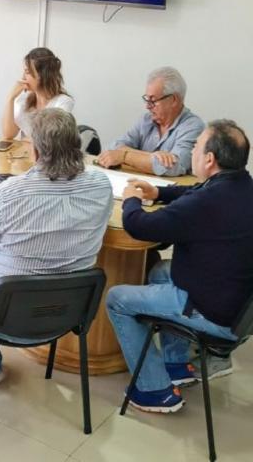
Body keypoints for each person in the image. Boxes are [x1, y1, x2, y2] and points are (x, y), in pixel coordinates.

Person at [0, 109, 113, 384]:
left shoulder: (14, 191)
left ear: (37, 152)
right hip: (68, 315)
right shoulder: (102, 185)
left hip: (3, 316)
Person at [106, 120, 253, 413]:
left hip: (211, 311)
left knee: (117, 299)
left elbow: (139, 226)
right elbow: (195, 192)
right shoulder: (240, 186)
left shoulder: (207, 203)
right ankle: (176, 365)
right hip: (237, 304)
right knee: (160, 271)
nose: (193, 151)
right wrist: (157, 193)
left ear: (209, 159)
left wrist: (132, 200)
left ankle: (153, 390)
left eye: (196, 146)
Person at [97, 66, 204, 176]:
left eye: (153, 100)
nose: (147, 106)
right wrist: (153, 156)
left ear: (173, 100)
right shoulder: (146, 120)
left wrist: (124, 156)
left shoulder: (193, 126)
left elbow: (172, 168)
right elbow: (113, 147)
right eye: (147, 99)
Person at [1, 47, 74, 140]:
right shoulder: (23, 100)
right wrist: (10, 98)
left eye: (27, 72)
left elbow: (49, 141)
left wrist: (27, 140)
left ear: (43, 75)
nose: (23, 77)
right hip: (26, 153)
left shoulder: (63, 103)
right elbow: (8, 134)